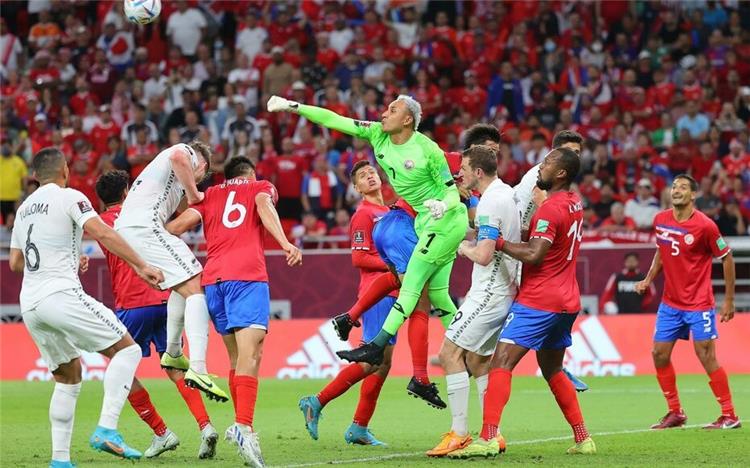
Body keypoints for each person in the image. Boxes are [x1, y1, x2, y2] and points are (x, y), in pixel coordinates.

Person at [267, 94, 468, 366]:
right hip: (424, 220)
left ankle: (375, 344)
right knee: (438, 294)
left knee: (411, 285)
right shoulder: (377, 134)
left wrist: (443, 204)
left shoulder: (427, 149)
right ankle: (466, 350)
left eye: (392, 110)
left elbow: (452, 192)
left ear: (407, 120)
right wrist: (295, 107)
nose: (384, 114)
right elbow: (335, 120)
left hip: (446, 219)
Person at [9, 147, 164, 465]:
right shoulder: (70, 197)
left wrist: (63, 257)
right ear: (65, 170)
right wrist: (141, 265)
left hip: (31, 304)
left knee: (68, 377)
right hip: (60, 293)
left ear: (35, 176)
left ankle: (60, 460)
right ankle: (107, 429)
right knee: (127, 350)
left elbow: (15, 263)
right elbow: (102, 232)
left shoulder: (23, 210)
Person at [330, 124, 502, 409]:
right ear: (473, 151)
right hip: (404, 227)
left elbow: (474, 220)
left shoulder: (469, 187)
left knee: (430, 293)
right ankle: (420, 372)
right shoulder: (447, 162)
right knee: (419, 298)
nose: (494, 157)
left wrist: (487, 229)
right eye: (490, 151)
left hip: (407, 228)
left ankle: (351, 319)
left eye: (496, 153)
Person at [451, 147, 596, 459]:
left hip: (540, 300)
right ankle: (583, 438)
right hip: (567, 301)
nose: (540, 167)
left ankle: (488, 437)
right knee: (553, 368)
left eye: (547, 163)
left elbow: (534, 253)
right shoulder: (574, 203)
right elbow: (548, 237)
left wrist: (500, 241)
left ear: (561, 173)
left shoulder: (550, 209)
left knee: (500, 363)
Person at [166, 157, 302, 467]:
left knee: (236, 358)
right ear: (250, 174)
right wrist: (284, 242)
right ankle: (243, 428)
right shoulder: (260, 186)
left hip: (214, 282)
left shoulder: (208, 196)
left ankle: (243, 427)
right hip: (247, 278)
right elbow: (264, 205)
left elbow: (175, 228)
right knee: (252, 354)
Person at [94, 171, 218, 459]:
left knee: (121, 370)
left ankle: (162, 433)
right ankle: (206, 427)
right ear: (127, 192)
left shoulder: (99, 223)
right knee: (175, 367)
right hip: (165, 296)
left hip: (132, 303)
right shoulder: (145, 213)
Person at [114, 140, 228, 402]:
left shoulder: (168, 181)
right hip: (145, 227)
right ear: (202, 165)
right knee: (196, 286)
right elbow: (179, 157)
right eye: (201, 176)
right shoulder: (184, 152)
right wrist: (195, 194)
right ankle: (198, 368)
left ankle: (174, 352)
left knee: (182, 283)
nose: (198, 180)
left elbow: (183, 216)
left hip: (132, 230)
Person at [427, 145, 521, 457]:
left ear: (478, 172)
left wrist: (464, 247)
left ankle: (459, 433)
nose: (460, 174)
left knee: (448, 353)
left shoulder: (490, 202)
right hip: (502, 290)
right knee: (479, 361)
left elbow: (483, 254)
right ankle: (493, 433)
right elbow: (490, 235)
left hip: (489, 293)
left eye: (464, 169)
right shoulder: (505, 193)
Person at [298, 160, 397, 447]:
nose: (369, 177)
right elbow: (359, 257)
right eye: (362, 177)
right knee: (371, 361)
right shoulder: (364, 214)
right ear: (356, 188)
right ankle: (317, 401)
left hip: (393, 292)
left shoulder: (388, 212)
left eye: (372, 172)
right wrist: (394, 265)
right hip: (376, 294)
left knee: (383, 363)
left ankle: (359, 427)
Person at [635, 174, 740, 430]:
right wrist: (648, 279)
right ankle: (675, 412)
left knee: (705, 355)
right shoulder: (660, 220)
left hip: (699, 304)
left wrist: (729, 300)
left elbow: (727, 257)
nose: (676, 190)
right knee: (659, 354)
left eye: (683, 187)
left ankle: (729, 415)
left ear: (693, 195)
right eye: (674, 186)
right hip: (670, 303)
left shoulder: (705, 226)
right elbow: (661, 251)